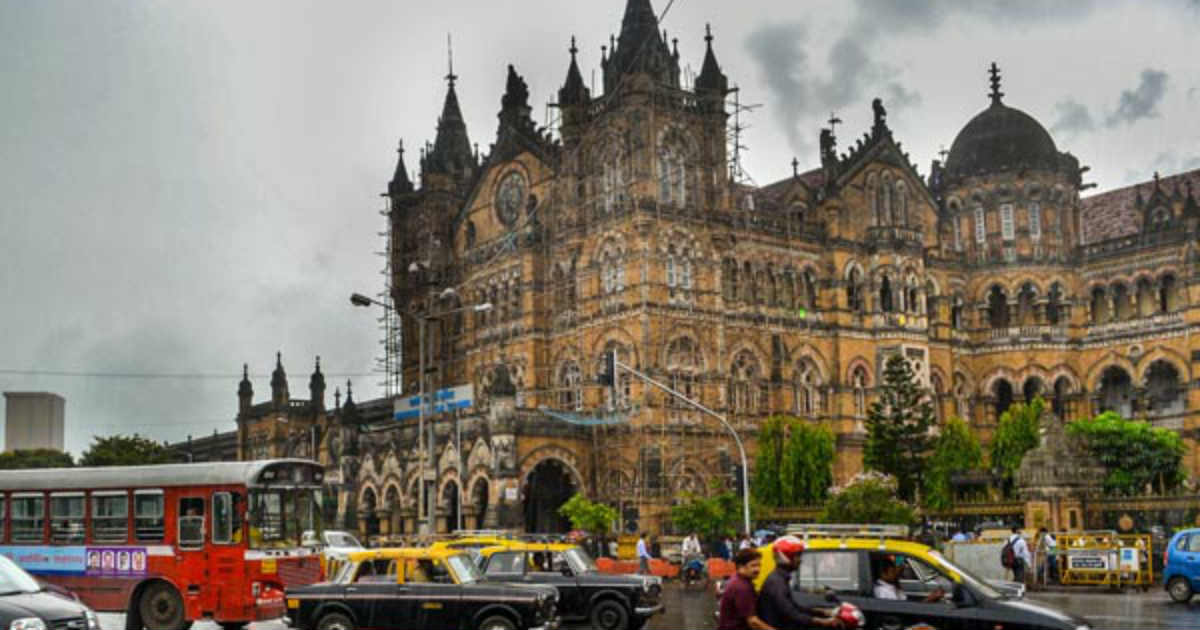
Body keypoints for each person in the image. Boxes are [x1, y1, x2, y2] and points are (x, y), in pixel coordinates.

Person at [757, 536, 843, 628]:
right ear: (785, 557)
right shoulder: (776, 583)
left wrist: (821, 611)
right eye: (797, 556)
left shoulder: (780, 578)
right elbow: (791, 613)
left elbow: (794, 607)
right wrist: (822, 622)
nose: (800, 560)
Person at [718, 548, 774, 630]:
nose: (758, 569)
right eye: (753, 565)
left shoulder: (739, 579)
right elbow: (753, 622)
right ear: (741, 566)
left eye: (759, 565)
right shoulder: (742, 587)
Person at [875, 555, 945, 602]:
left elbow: (908, 604)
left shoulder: (892, 585)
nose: (896, 573)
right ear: (883, 574)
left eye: (894, 570)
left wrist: (929, 598)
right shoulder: (882, 591)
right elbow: (905, 610)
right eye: (892, 572)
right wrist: (929, 599)